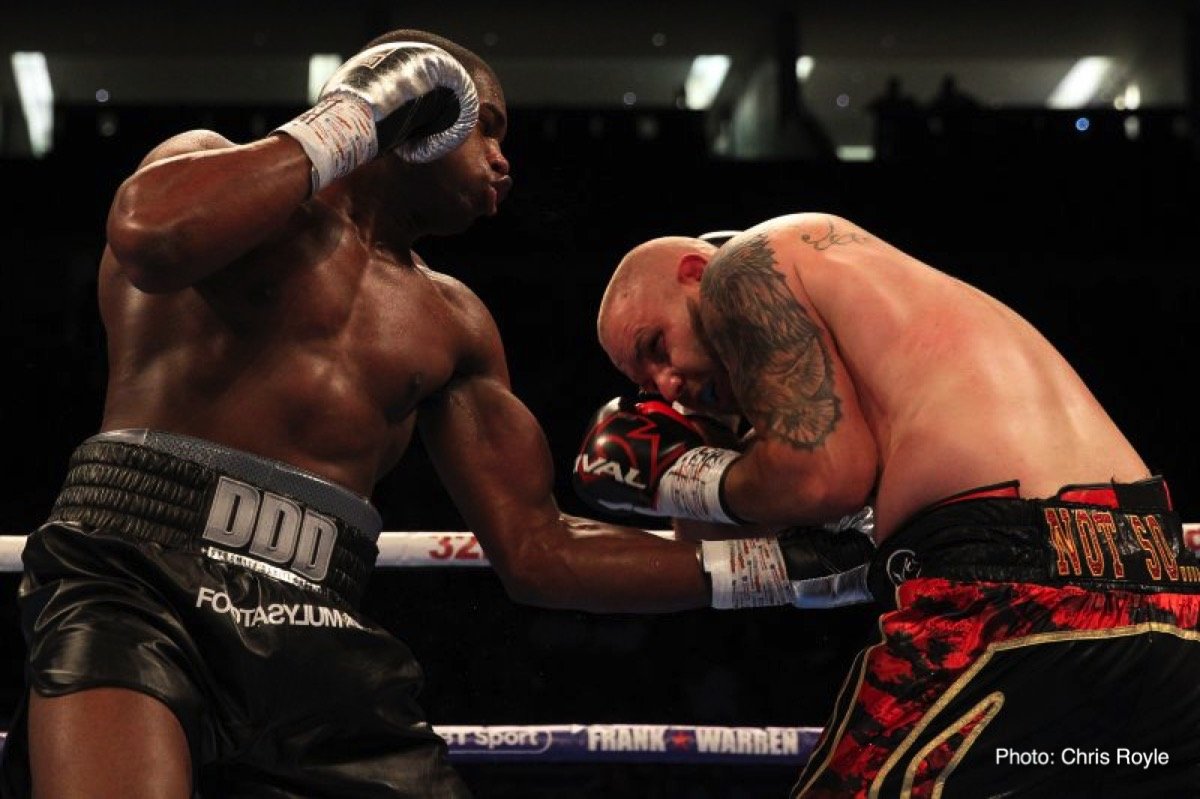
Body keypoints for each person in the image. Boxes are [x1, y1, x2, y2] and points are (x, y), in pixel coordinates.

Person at [0, 30, 874, 799]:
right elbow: (148, 238)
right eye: (486, 124)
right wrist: (355, 115)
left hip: (314, 622)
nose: (504, 161)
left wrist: (778, 564)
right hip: (135, 576)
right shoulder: (214, 178)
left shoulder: (454, 320)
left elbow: (541, 552)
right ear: (417, 110)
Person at [580, 214, 1200, 796]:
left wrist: (681, 475)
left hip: (1010, 595)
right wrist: (707, 452)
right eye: (646, 385)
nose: (667, 384)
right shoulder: (875, 311)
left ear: (694, 271)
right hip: (1162, 581)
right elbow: (753, 519)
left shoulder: (738, 270)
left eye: (656, 345)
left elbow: (821, 480)